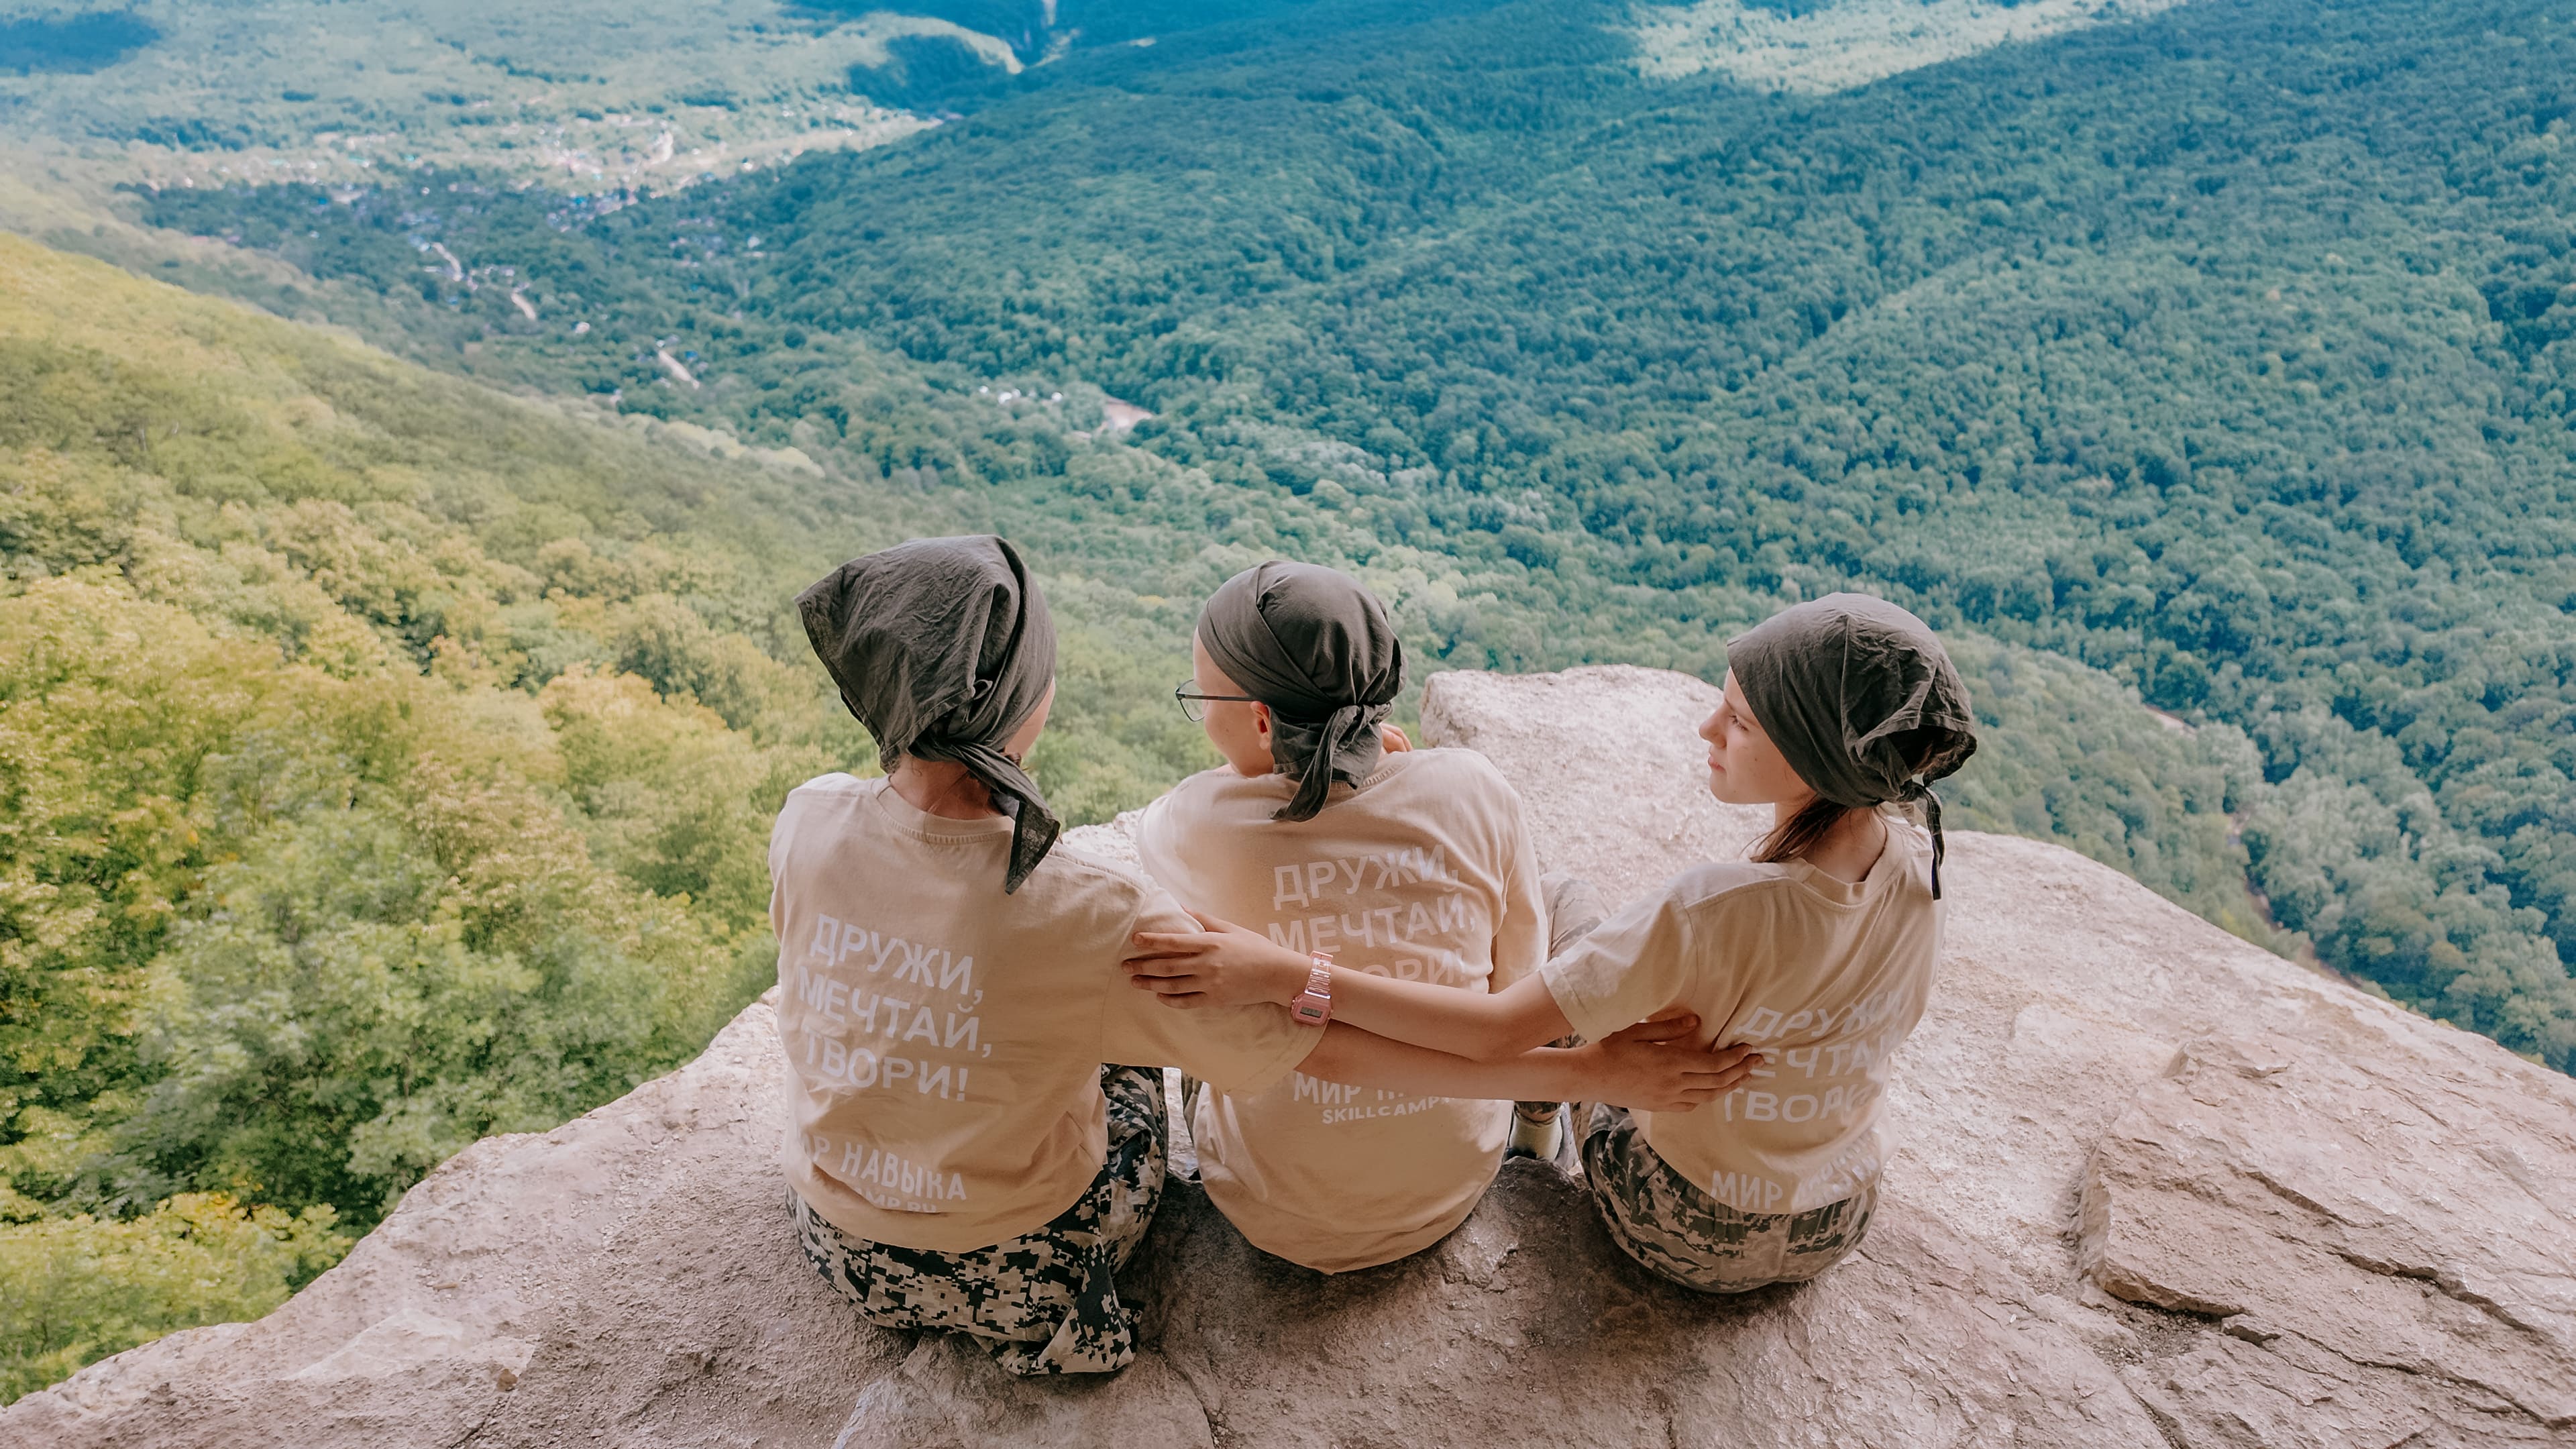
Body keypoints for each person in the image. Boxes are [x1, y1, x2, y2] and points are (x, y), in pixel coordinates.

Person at [773, 535, 1762, 1377]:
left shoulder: (808, 819)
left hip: (841, 1241)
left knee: (1106, 1019)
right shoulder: (1093, 913)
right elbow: (1337, 1046)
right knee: (1132, 1030)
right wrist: (1580, 1073)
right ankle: (1534, 1131)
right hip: (1034, 1266)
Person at [1128, 593, 1976, 1293]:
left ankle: (1543, 1117)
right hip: (1837, 1215)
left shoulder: (1705, 910)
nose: (1706, 729)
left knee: (1221, 991)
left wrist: (1289, 972)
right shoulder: (1924, 868)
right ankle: (1536, 1127)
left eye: (1740, 721)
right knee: (1560, 912)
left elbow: (1495, 1030)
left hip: (1676, 1223)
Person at [1134, 560, 1587, 1274]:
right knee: (1548, 900)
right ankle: (1536, 1125)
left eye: (1203, 696)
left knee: (1198, 977)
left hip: (1269, 1202)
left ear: (1260, 720)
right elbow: (1517, 980)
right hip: (1449, 1183)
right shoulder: (1473, 788)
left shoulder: (1193, 821)